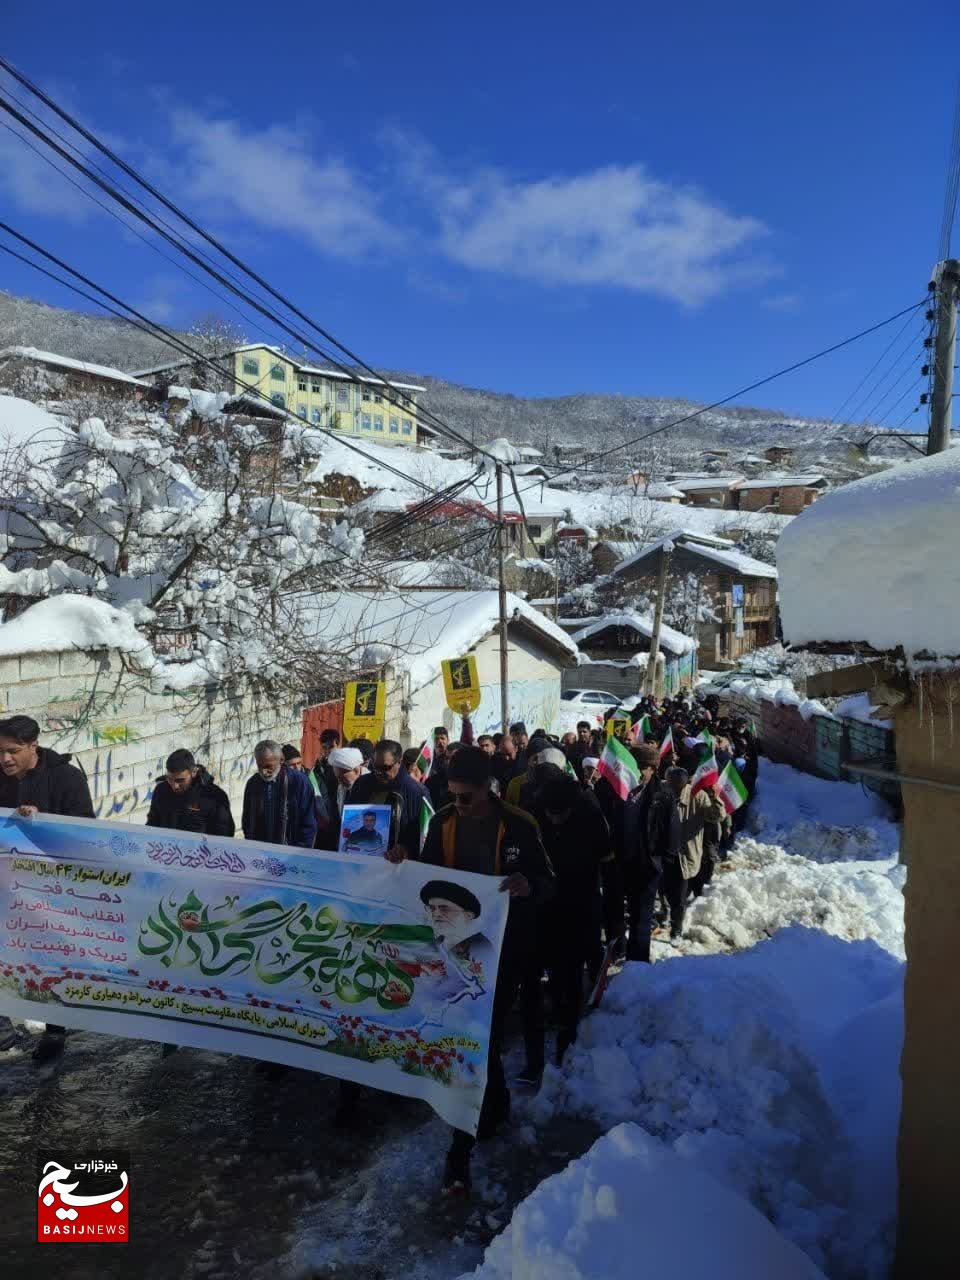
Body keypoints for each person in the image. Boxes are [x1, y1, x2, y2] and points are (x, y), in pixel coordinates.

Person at [389, 746, 554, 1196]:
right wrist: (403, 862)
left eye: (466, 797)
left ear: (488, 789)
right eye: (452, 795)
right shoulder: (442, 822)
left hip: (505, 952)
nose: (458, 804)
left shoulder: (520, 825)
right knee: (477, 1041)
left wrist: (528, 885)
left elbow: (548, 882)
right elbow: (425, 876)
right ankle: (493, 1108)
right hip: (453, 953)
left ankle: (459, 1154)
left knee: (479, 1040)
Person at [0, 714, 95, 1062]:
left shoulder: (65, 779)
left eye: (12, 751)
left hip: (51, 890)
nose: (4, 759)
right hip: (8, 885)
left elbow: (85, 830)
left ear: (33, 746)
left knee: (49, 959)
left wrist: (42, 822)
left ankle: (55, 1031)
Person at [535, 774, 612, 1065]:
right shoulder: (537, 815)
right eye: (550, 814)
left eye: (561, 814)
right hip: (547, 907)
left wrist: (611, 914)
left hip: (582, 905)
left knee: (571, 968)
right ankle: (558, 1009)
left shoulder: (592, 817)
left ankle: (568, 1029)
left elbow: (608, 866)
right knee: (555, 968)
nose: (554, 819)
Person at [622, 744, 679, 963]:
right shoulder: (623, 788)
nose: (638, 771)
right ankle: (625, 951)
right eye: (635, 766)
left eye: (643, 767)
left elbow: (672, 833)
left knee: (642, 915)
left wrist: (662, 863)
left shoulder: (662, 795)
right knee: (626, 912)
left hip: (648, 864)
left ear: (653, 769)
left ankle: (638, 960)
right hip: (625, 862)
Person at [663, 767, 725, 939]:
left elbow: (716, 816)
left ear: (685, 785)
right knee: (664, 890)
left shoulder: (698, 796)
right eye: (671, 785)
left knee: (679, 896)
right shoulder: (662, 792)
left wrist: (714, 797)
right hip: (663, 854)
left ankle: (676, 928)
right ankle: (666, 910)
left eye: (678, 787)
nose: (674, 790)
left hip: (684, 855)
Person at [347, 739, 428, 861]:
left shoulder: (416, 792)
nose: (379, 772)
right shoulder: (361, 784)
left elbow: (423, 837)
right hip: (361, 861)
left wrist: (406, 849)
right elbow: (349, 819)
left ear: (399, 762)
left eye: (385, 767)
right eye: (375, 767)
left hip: (398, 867)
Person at [241, 740, 317, 848]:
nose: (263, 771)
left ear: (281, 760)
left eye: (268, 766)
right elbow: (247, 821)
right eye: (260, 766)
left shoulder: (299, 782)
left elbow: (308, 825)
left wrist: (300, 856)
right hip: (260, 852)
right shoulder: (253, 783)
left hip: (291, 854)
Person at [146, 749, 235, 836]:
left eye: (180, 780)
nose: (175, 785)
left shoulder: (214, 796)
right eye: (170, 779)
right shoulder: (161, 791)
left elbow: (225, 835)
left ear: (194, 772)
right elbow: (152, 825)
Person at [309, 729, 342, 850]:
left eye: (331, 747)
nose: (328, 751)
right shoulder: (318, 767)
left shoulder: (346, 767)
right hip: (326, 821)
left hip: (342, 818)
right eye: (324, 747)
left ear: (338, 744)